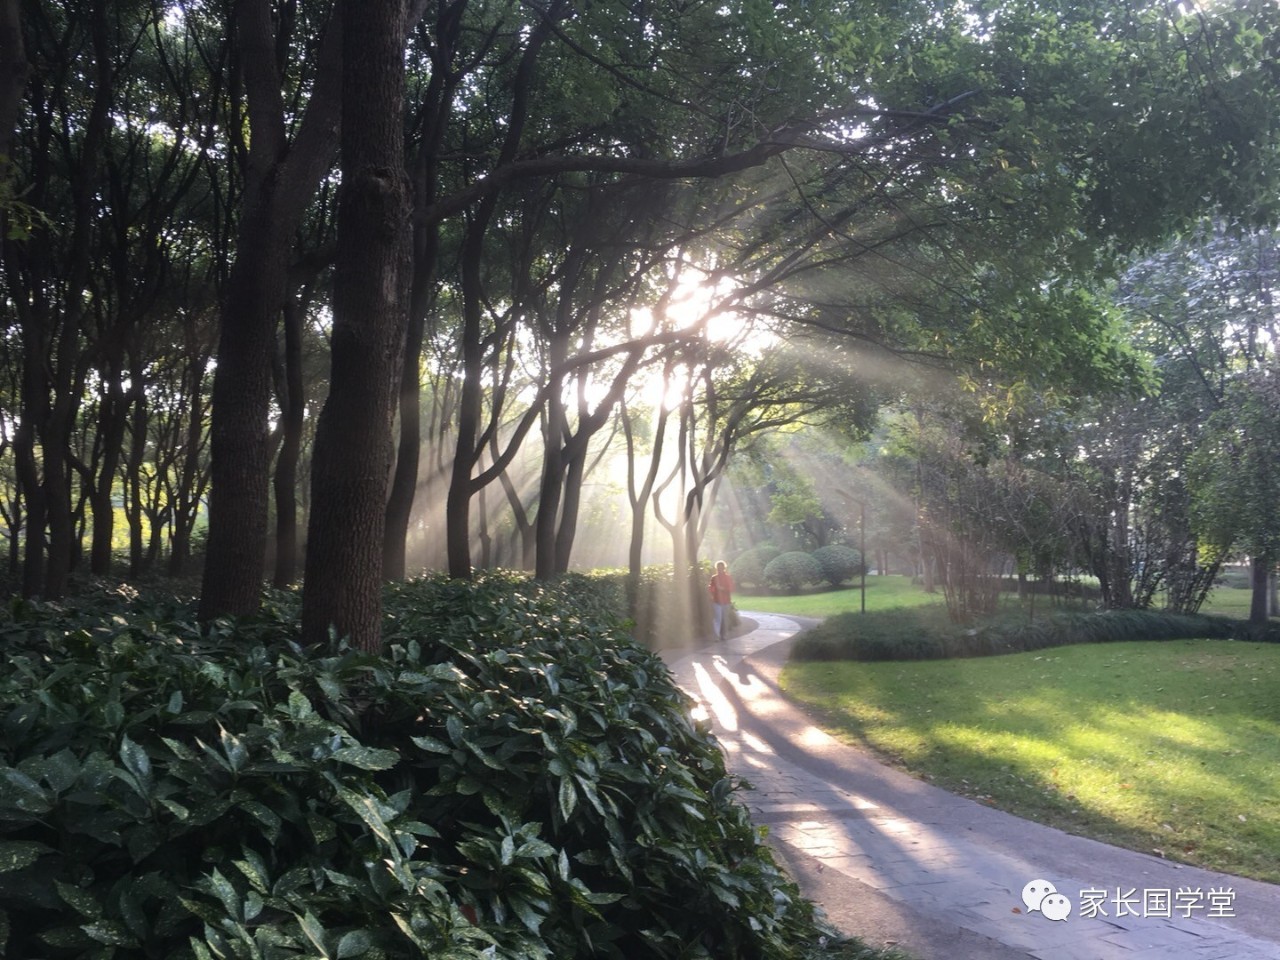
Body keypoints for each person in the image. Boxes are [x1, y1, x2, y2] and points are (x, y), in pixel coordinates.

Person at [708, 560, 735, 641]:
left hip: (726, 601)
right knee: (717, 618)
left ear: (724, 568)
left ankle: (724, 635)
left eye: (721, 567)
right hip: (716, 601)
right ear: (716, 568)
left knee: (724, 619)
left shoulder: (728, 577)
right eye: (718, 567)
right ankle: (717, 636)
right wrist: (712, 592)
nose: (720, 569)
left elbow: (731, 588)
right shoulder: (714, 578)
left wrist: (722, 589)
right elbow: (711, 588)